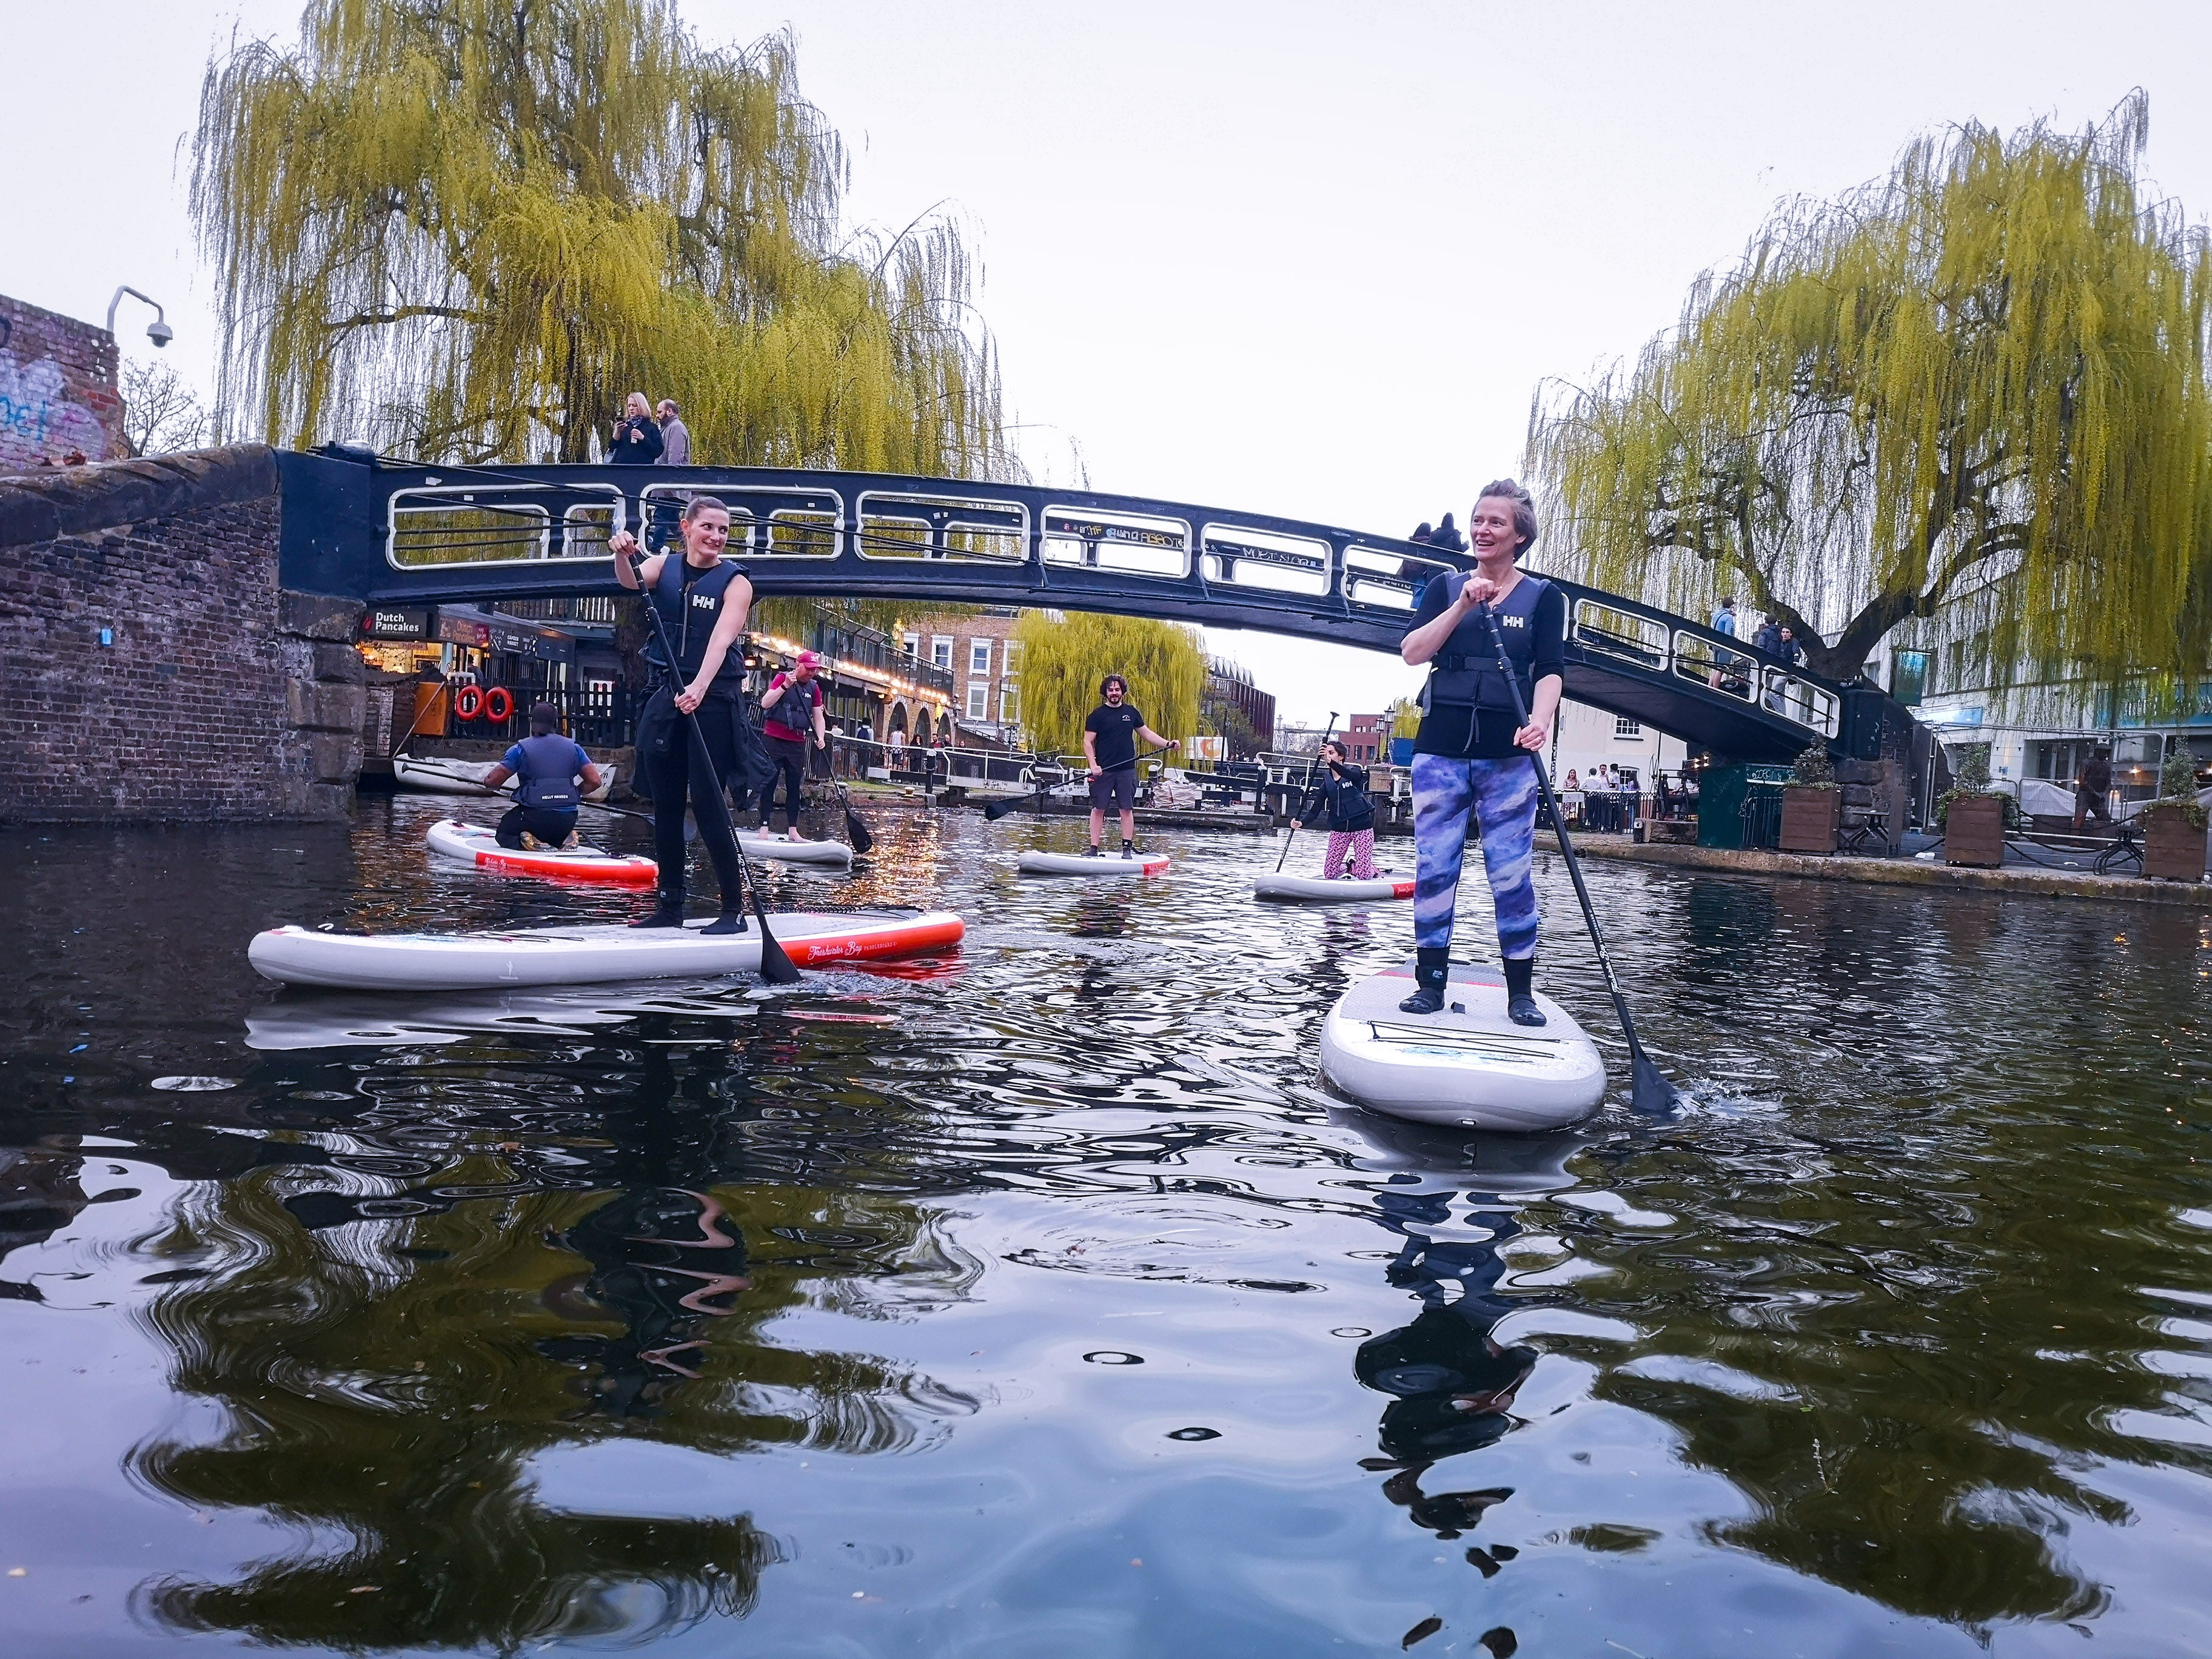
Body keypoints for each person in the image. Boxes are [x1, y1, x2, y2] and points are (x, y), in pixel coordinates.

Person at [1397, 478, 1565, 1025]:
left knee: (1511, 876)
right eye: (1478, 520)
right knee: (1434, 868)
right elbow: (1411, 652)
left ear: (1519, 536)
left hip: (1508, 755)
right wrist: (1462, 605)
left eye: (1496, 522)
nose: (1482, 530)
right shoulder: (1445, 587)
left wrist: (1540, 722)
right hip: (1441, 749)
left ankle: (1520, 993)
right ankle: (1430, 985)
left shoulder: (1544, 598)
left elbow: (1550, 671)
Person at [609, 494, 771, 931]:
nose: (717, 537)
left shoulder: (736, 582)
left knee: (707, 802)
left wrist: (699, 689)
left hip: (712, 700)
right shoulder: (664, 566)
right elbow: (629, 581)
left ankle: (732, 911)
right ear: (687, 527)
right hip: (666, 695)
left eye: (723, 530)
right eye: (709, 527)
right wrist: (622, 552)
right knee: (664, 803)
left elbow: (721, 641)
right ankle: (670, 908)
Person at [483, 702, 603, 850]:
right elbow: (596, 781)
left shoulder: (520, 750)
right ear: (556, 723)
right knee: (557, 825)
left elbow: (493, 782)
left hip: (536, 817)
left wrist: (486, 782)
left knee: (503, 833)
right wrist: (575, 793)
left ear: (532, 724)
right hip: (567, 819)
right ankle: (567, 837)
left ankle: (533, 843)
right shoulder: (575, 748)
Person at [1082, 674, 1178, 857]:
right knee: (1099, 808)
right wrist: (1093, 765)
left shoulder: (1131, 713)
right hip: (1103, 770)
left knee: (1126, 808)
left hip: (1126, 770)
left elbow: (1147, 734)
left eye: (1117, 690)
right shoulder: (1097, 716)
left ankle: (1127, 848)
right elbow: (1087, 742)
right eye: (1110, 690)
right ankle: (1093, 848)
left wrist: (1168, 744)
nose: (1114, 693)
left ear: (1122, 691)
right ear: (1106, 693)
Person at [759, 651, 829, 842]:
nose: (811, 673)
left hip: (797, 744)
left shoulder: (814, 688)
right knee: (769, 783)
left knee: (794, 787)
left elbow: (818, 716)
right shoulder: (783, 678)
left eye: (815, 670)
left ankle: (793, 831)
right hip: (773, 741)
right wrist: (785, 686)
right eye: (808, 669)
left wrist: (820, 736)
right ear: (798, 665)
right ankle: (764, 826)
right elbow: (765, 703)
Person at [1308, 739, 1378, 879]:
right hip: (1340, 830)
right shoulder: (1326, 784)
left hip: (1362, 829)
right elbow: (1315, 810)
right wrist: (1301, 823)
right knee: (1330, 873)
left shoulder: (1354, 772)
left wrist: (1331, 763)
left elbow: (1350, 775)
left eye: (1332, 753)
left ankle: (1372, 870)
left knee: (1363, 875)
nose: (1328, 756)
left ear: (1341, 757)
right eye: (1326, 753)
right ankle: (1350, 867)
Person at [609, 392, 664, 465]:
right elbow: (612, 448)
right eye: (629, 406)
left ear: (642, 406)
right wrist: (617, 432)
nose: (631, 409)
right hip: (622, 469)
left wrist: (643, 438)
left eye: (635, 406)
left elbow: (658, 451)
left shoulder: (652, 428)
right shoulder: (624, 426)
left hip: (642, 470)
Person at [2075, 745, 2115, 831]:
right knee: (2079, 818)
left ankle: (2100, 839)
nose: (2106, 755)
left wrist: (2102, 794)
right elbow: (2082, 781)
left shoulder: (2107, 766)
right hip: (2084, 795)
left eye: (2107, 753)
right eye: (2104, 752)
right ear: (2098, 752)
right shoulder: (2087, 762)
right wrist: (2094, 792)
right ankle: (2074, 839)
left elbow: (2109, 784)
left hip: (2098, 797)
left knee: (2105, 819)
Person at [654, 399, 691, 467]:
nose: (657, 415)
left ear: (669, 411)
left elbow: (675, 461)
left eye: (660, 412)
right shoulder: (667, 428)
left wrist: (671, 475)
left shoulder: (677, 428)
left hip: (669, 475)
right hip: (662, 475)